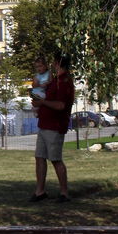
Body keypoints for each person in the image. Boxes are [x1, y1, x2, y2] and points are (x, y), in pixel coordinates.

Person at [30, 53, 75, 203]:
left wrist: (43, 102)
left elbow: (60, 105)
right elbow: (44, 96)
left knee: (55, 159)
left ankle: (64, 192)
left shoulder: (64, 82)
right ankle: (40, 191)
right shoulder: (55, 81)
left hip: (55, 126)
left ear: (57, 63)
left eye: (54, 63)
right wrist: (37, 101)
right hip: (44, 124)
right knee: (40, 157)